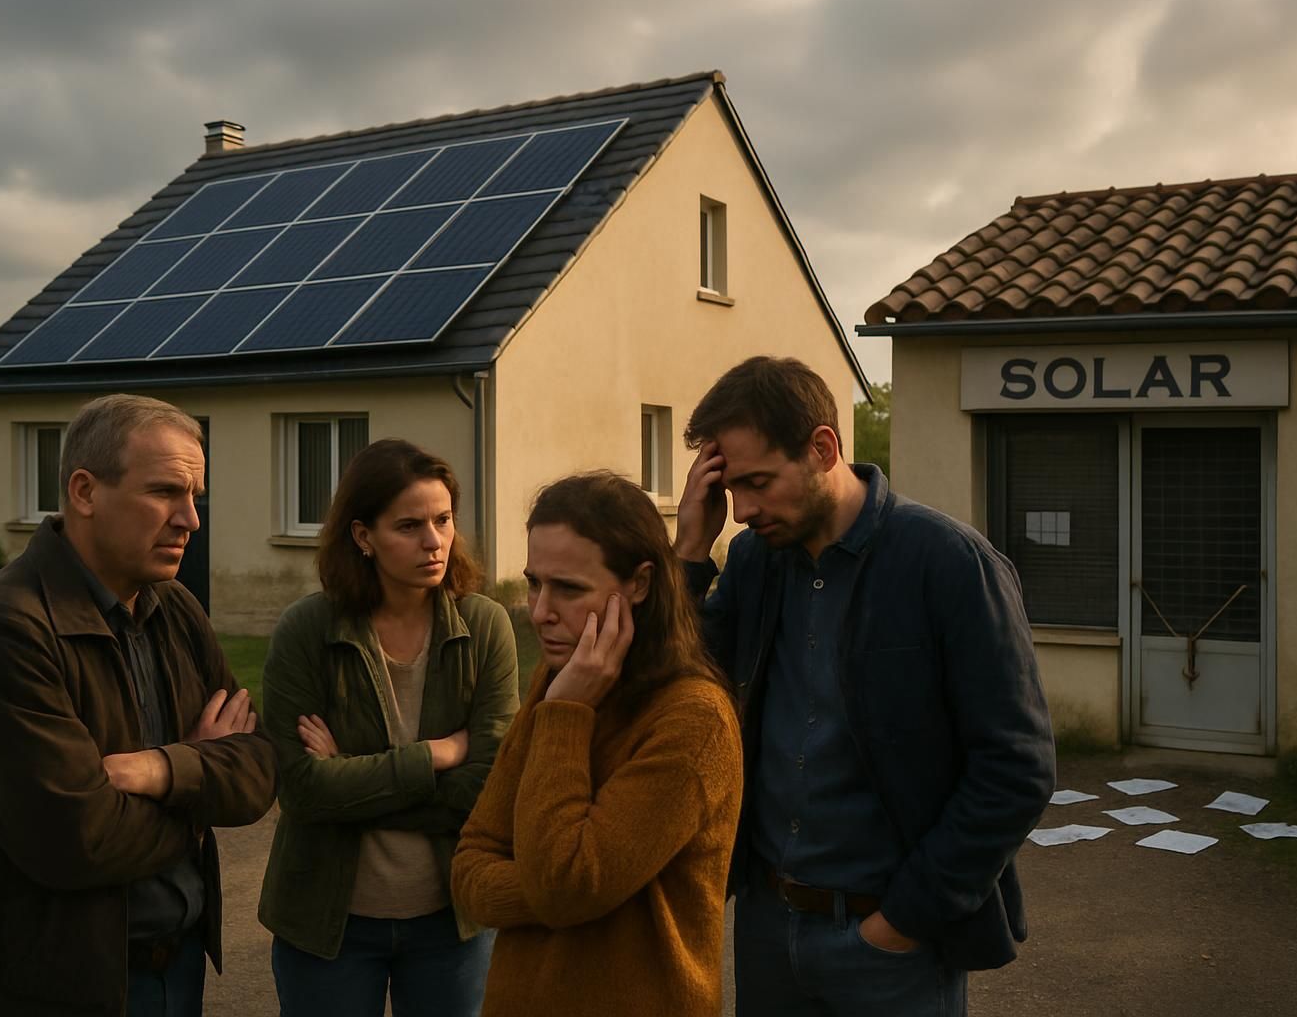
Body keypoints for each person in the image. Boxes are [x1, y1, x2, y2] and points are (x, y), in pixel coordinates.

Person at [674, 356, 1056, 1017]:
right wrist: (687, 556)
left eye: (758, 482)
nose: (742, 511)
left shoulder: (948, 564)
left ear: (824, 448)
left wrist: (902, 922)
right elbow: (680, 689)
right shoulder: (754, 563)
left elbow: (1016, 768)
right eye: (731, 488)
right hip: (768, 926)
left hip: (891, 945)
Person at [0, 394, 277, 1017]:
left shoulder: (176, 609)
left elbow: (255, 773)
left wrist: (166, 769)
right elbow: (76, 840)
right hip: (51, 989)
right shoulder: (4, 628)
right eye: (165, 491)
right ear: (85, 491)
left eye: (194, 495)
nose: (191, 520)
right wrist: (199, 795)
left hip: (177, 970)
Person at [452, 472, 743, 1017]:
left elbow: (567, 884)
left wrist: (567, 715)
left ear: (638, 583)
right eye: (534, 582)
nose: (539, 610)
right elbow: (469, 868)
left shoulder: (693, 719)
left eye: (568, 588)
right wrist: (558, 892)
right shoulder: (557, 680)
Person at [258, 438, 518, 1017]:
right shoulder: (308, 629)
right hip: (328, 925)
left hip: (450, 923)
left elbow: (489, 790)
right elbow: (300, 790)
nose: (434, 542)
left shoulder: (485, 626)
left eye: (444, 520)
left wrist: (351, 778)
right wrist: (433, 757)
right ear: (363, 537)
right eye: (409, 526)